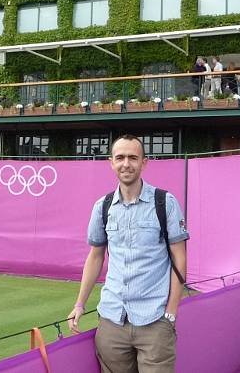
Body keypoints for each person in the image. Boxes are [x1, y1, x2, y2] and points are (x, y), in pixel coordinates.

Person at [68, 135, 189, 372]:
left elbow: (180, 259)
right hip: (112, 321)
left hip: (155, 321)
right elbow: (95, 257)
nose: (126, 164)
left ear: (144, 162)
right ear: (111, 162)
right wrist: (80, 304)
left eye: (133, 157)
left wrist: (171, 313)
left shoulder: (165, 202)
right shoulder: (102, 206)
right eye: (120, 157)